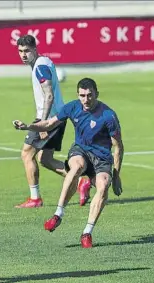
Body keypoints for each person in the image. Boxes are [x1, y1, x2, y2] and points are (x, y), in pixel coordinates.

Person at [12, 78, 124, 248]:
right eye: (82, 95)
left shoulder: (108, 115)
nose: (86, 99)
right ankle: (58, 214)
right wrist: (28, 127)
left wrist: (116, 176)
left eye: (89, 95)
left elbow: (118, 146)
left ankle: (87, 232)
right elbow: (49, 123)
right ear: (78, 95)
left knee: (103, 185)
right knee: (76, 166)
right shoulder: (72, 107)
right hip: (81, 151)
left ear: (97, 94)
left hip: (102, 158)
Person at [15, 35, 91, 208]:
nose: (23, 55)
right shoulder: (44, 62)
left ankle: (35, 198)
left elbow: (48, 94)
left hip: (49, 118)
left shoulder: (40, 67)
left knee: (27, 154)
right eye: (20, 51)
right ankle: (81, 182)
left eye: (27, 51)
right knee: (45, 159)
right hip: (58, 117)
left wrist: (43, 123)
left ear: (35, 49)